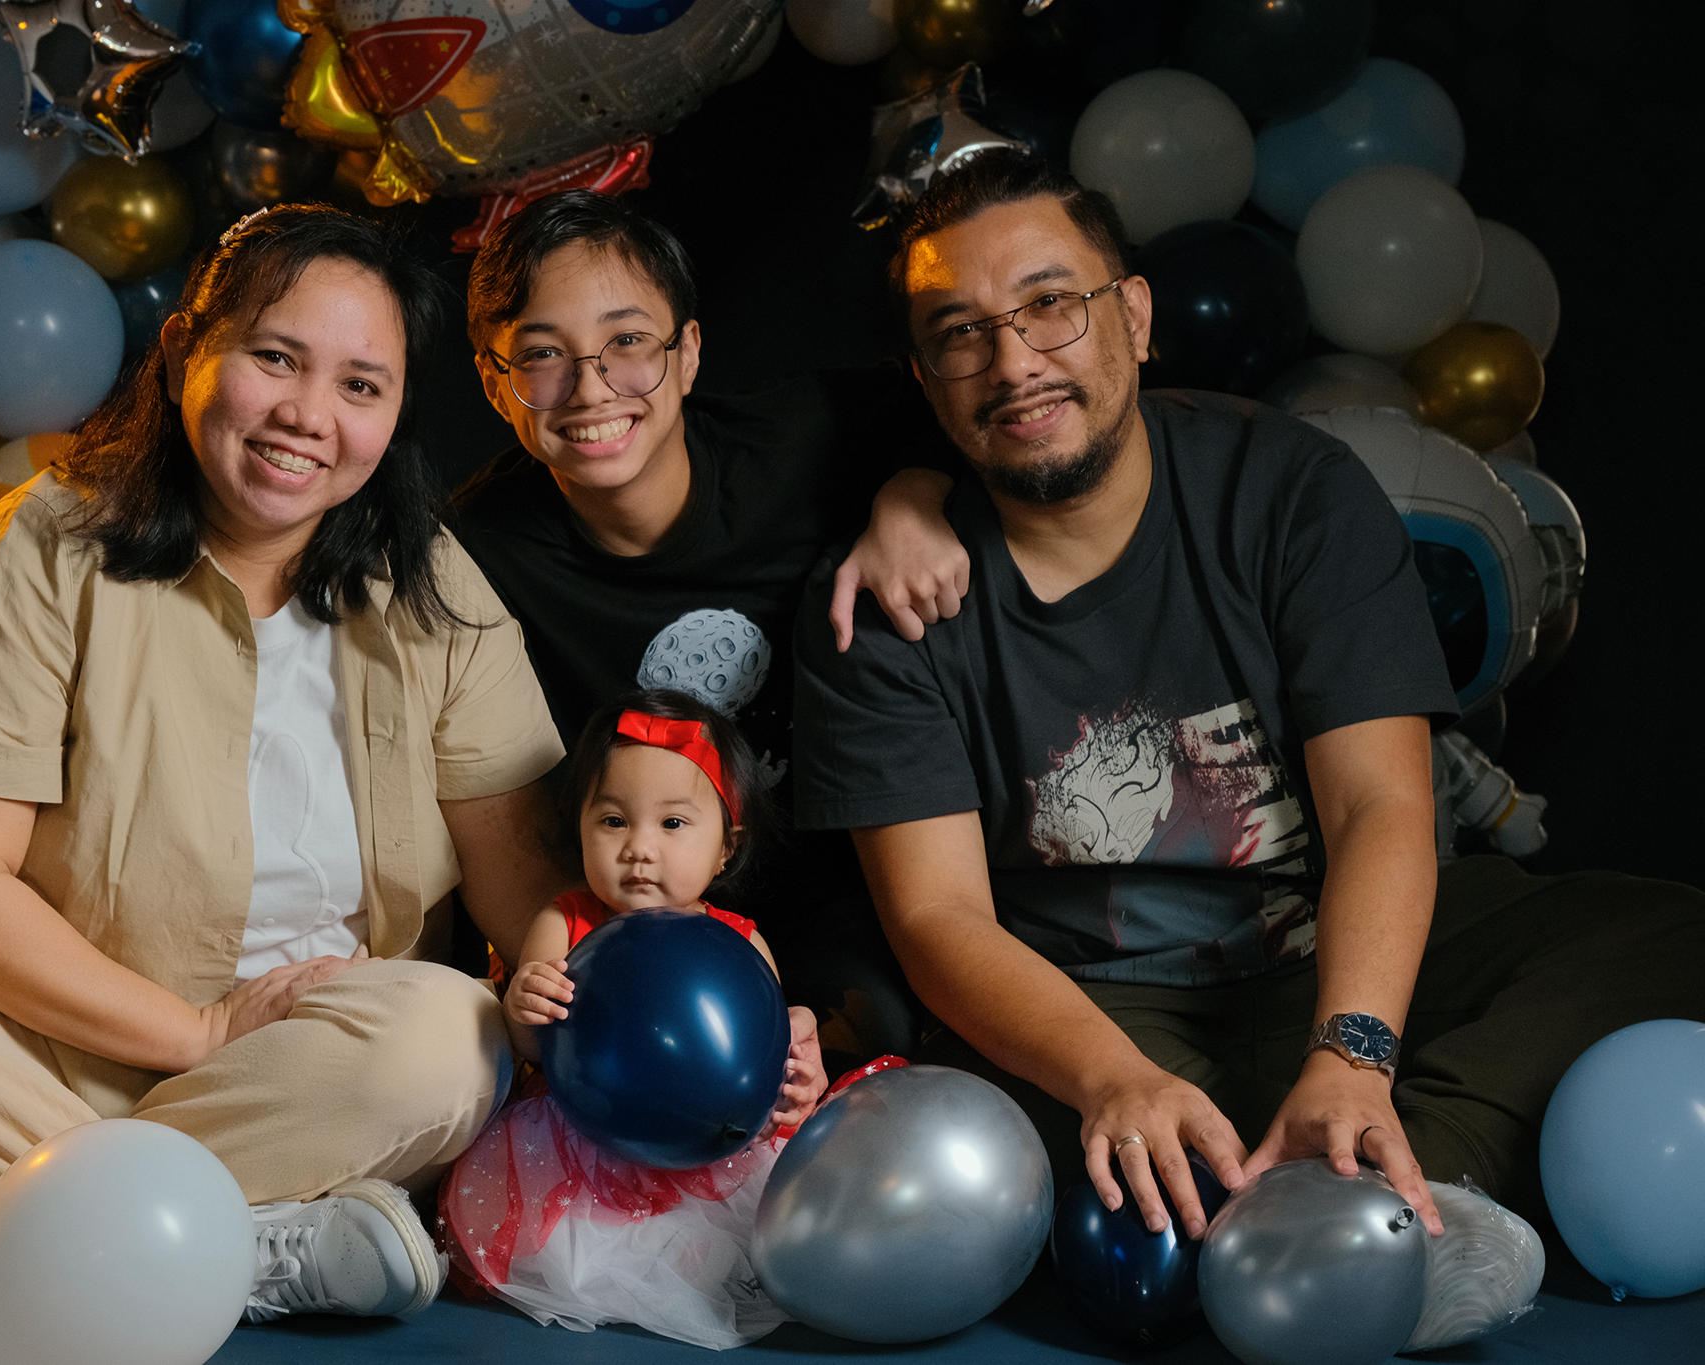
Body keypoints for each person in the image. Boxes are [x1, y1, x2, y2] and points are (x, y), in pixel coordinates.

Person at [792, 149, 1705, 1252]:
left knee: (1673, 937)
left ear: (1134, 316)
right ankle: (1360, 1216)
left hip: (1333, 954)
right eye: (961, 332)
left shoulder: (1290, 490)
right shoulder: (880, 601)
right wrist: (1111, 1078)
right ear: (925, 375)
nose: (1014, 361)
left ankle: (1376, 1188)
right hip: (1096, 1006)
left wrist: (1352, 1051)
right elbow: (937, 919)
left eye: (1051, 306)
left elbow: (1378, 804)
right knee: (1044, 1155)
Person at [0, 205, 569, 1325]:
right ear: (179, 355)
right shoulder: (47, 540)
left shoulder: (431, 584)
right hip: (43, 1053)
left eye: (360, 385)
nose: (309, 416)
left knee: (451, 1041)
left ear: (396, 410)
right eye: (275, 358)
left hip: (311, 1080)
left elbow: (529, 892)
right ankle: (257, 1247)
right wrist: (198, 1034)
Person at [446, 190, 969, 1066]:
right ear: (497, 385)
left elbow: (955, 405)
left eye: (627, 342)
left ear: (687, 352)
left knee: (866, 1041)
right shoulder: (471, 552)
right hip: (634, 912)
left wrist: (912, 495)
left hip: (845, 887)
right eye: (542, 355)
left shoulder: (804, 441)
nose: (591, 388)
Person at [439, 689, 826, 1349]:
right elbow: (531, 1046)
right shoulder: (564, 922)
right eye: (614, 820)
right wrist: (524, 1002)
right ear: (581, 827)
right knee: (572, 1245)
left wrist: (792, 1087)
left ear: (726, 848)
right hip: (580, 1141)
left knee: (748, 1232)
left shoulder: (740, 944)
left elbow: (753, 1066)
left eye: (672, 823)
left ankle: (690, 1261)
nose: (639, 848)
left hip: (704, 1150)